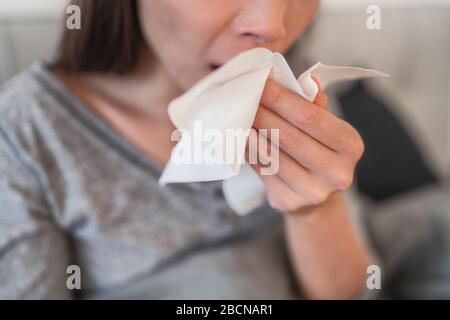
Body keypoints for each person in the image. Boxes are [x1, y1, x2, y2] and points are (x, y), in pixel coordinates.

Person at [0, 0, 373, 299]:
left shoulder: (299, 88)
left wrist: (315, 213)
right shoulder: (26, 132)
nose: (271, 26)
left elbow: (349, 292)